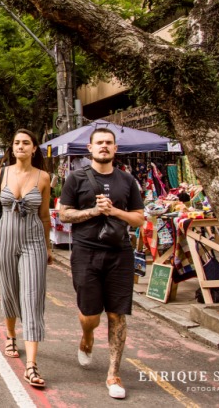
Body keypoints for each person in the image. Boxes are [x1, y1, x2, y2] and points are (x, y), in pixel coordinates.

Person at [58, 127, 145, 399]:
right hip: (86, 252)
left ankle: (113, 374)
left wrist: (115, 211)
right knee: (90, 315)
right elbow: (64, 215)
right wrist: (94, 211)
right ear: (90, 148)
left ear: (115, 149)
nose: (104, 147)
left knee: (117, 314)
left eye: (109, 143)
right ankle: (87, 337)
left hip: (119, 253)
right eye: (100, 143)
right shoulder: (76, 178)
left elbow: (140, 218)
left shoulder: (127, 181)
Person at [0, 129, 53, 388]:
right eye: (17, 143)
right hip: (5, 240)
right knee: (9, 291)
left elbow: (44, 216)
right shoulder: (2, 173)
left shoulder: (44, 177)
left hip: (33, 242)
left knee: (32, 297)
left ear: (34, 149)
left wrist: (49, 248)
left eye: (26, 143)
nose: (21, 146)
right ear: (12, 148)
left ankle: (31, 365)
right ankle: (10, 336)